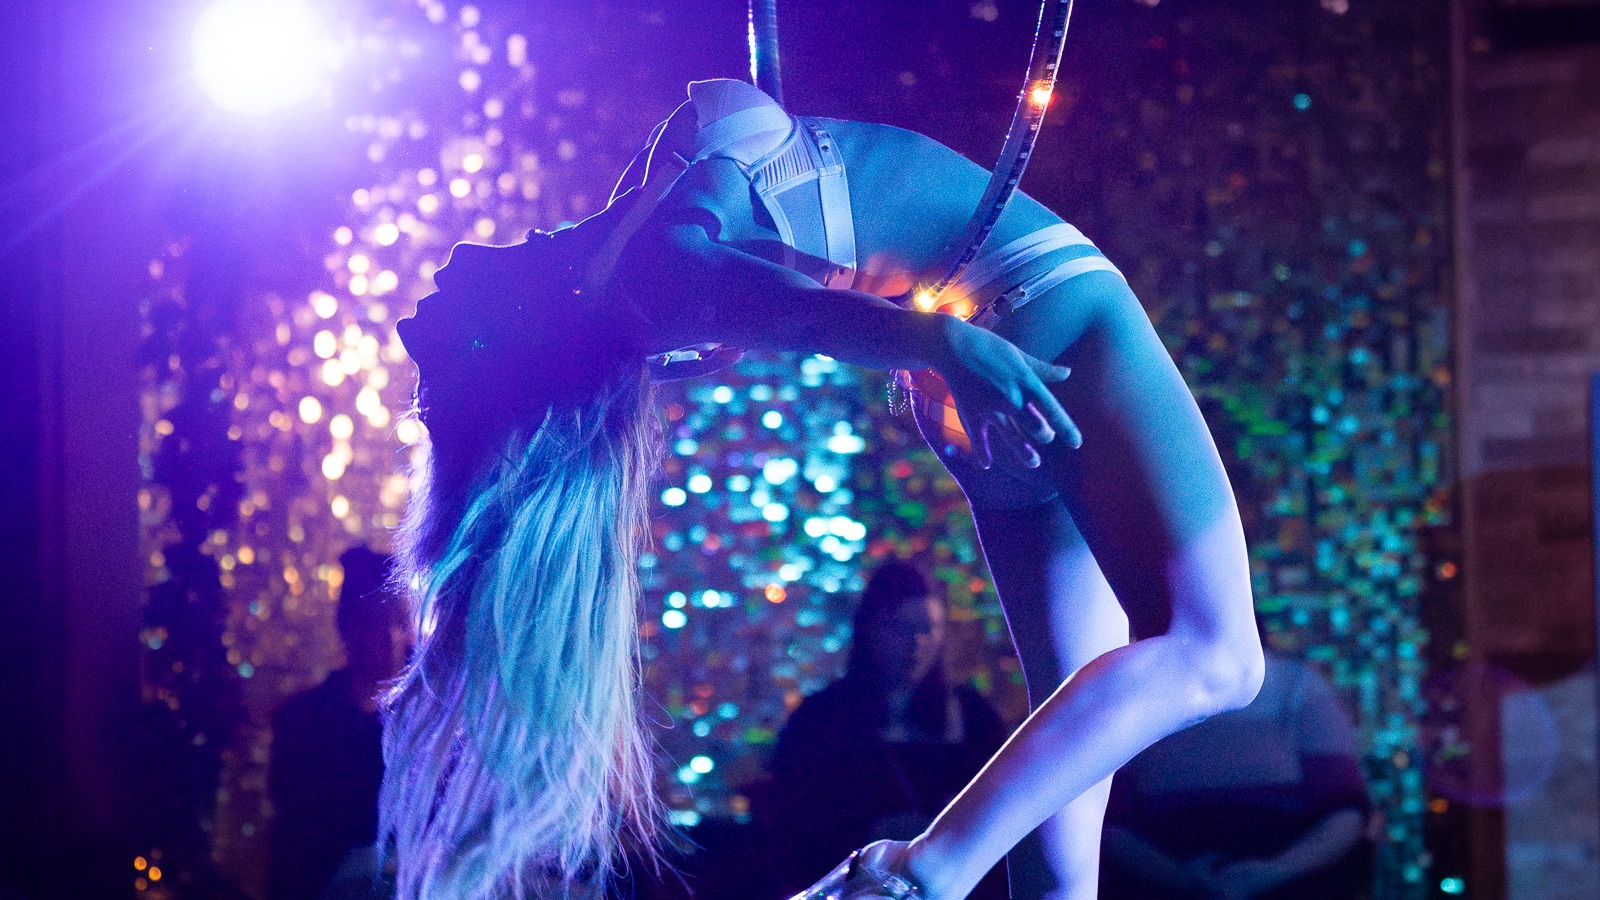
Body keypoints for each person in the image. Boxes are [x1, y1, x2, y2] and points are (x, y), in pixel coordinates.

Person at [383, 78, 1262, 900]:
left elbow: (771, 290)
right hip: (1023, 319)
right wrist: (945, 346)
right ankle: (915, 874)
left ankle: (937, 875)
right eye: (440, 332)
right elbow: (792, 309)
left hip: (966, 383)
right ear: (513, 335)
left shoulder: (638, 249)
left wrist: (938, 348)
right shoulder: (653, 274)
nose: (422, 296)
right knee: (1216, 655)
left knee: (1070, 770)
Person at [764, 561, 1008, 898]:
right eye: (901, 629)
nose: (917, 643)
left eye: (928, 629)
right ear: (870, 630)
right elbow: (790, 828)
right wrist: (868, 836)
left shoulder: (974, 717)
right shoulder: (819, 720)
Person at [1099, 625, 1372, 900]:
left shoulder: (1298, 687)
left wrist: (1274, 872)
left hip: (1282, 879)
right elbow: (1109, 822)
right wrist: (1179, 878)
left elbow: (1345, 811)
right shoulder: (1138, 695)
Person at [270, 547, 404, 900]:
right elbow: (294, 844)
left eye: (398, 621)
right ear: (351, 629)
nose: (390, 637)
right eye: (378, 622)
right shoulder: (302, 724)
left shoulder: (422, 727)